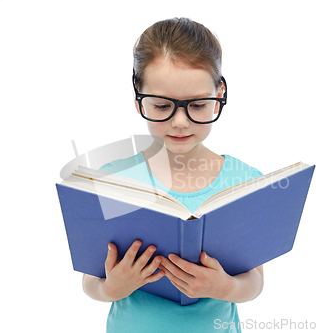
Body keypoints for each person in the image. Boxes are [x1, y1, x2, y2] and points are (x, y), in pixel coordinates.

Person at [82, 17, 264, 333]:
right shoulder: (114, 180)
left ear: (219, 92)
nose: (180, 121)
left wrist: (224, 289)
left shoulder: (243, 180)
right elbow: (91, 283)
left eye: (197, 105)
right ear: (139, 95)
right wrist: (114, 287)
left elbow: (256, 282)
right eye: (162, 105)